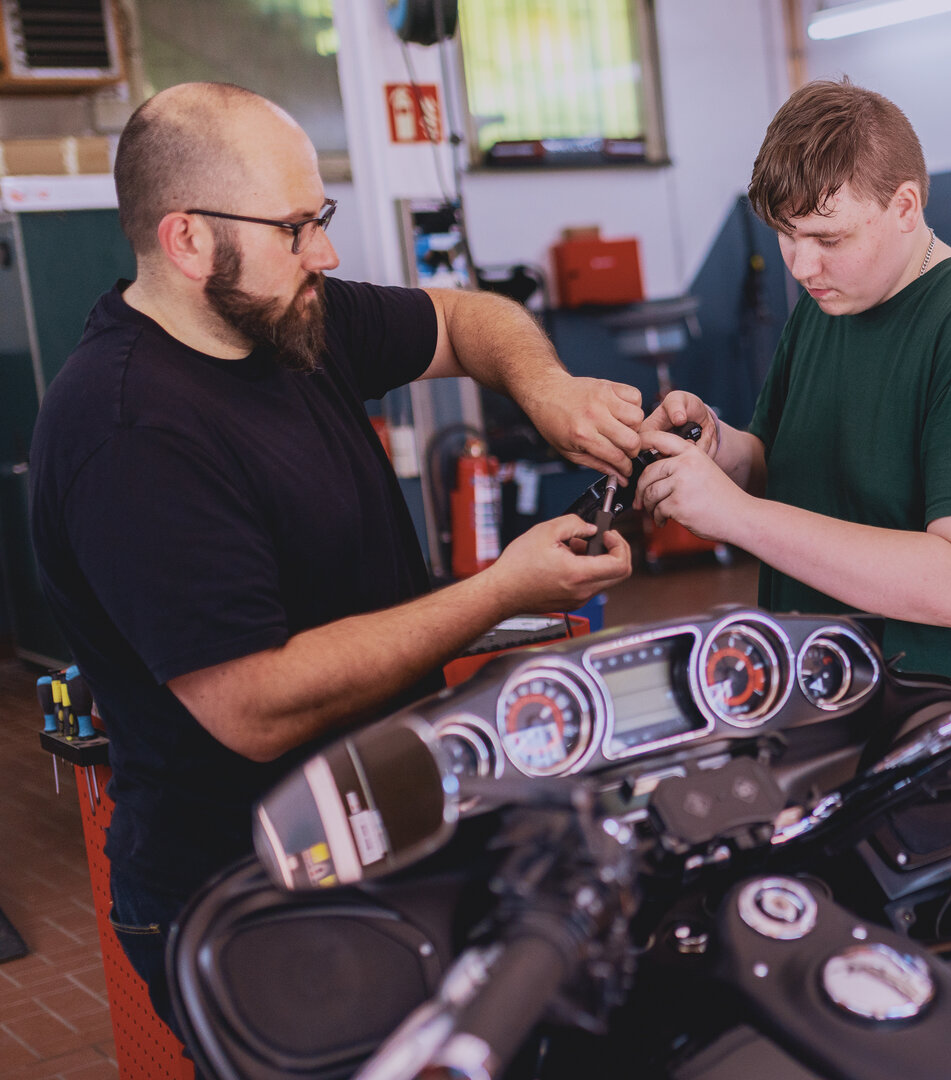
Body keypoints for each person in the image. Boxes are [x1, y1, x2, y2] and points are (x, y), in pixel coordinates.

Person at [30, 82, 642, 1033]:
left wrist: (547, 389)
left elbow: (465, 319)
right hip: (250, 889)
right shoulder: (130, 432)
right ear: (187, 239)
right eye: (294, 228)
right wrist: (501, 590)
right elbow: (256, 705)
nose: (327, 251)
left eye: (322, 217)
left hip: (387, 829)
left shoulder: (285, 323)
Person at [633, 79, 951, 691]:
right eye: (785, 234)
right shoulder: (826, 308)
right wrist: (718, 449)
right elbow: (784, 466)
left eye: (828, 237)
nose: (801, 266)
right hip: (830, 711)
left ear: (904, 207)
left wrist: (736, 516)